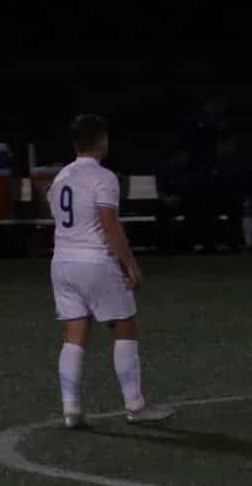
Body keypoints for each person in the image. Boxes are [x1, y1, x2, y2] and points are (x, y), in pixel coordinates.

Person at [48, 113, 172, 426]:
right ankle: (135, 405)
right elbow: (109, 225)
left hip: (61, 262)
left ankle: (71, 409)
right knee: (125, 327)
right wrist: (130, 265)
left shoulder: (60, 177)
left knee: (74, 334)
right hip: (94, 261)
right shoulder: (103, 178)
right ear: (102, 140)